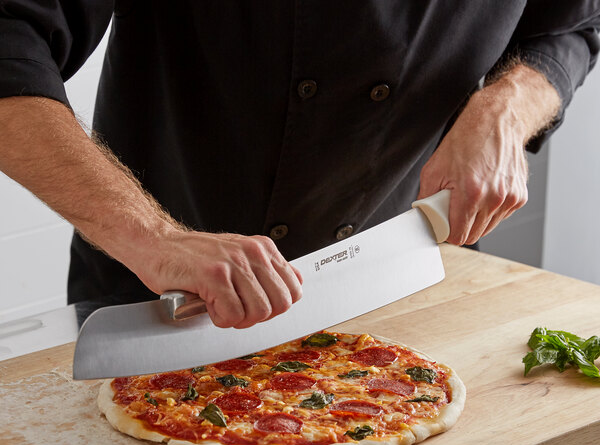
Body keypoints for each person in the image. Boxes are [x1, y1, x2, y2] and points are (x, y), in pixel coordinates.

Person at [0, 2, 598, 329]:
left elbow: (574, 22)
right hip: (171, 306)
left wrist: (508, 108)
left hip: (403, 278)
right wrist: (155, 238)